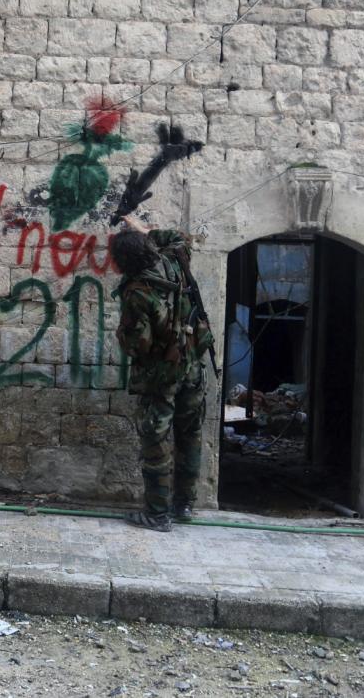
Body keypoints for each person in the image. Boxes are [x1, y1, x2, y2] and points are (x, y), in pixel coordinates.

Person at [111, 215, 214, 532]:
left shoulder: (137, 293)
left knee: (156, 443)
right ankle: (184, 505)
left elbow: (137, 345)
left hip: (162, 375)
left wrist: (123, 335)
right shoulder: (173, 263)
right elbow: (180, 238)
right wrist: (147, 232)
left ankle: (157, 514)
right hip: (192, 367)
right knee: (190, 435)